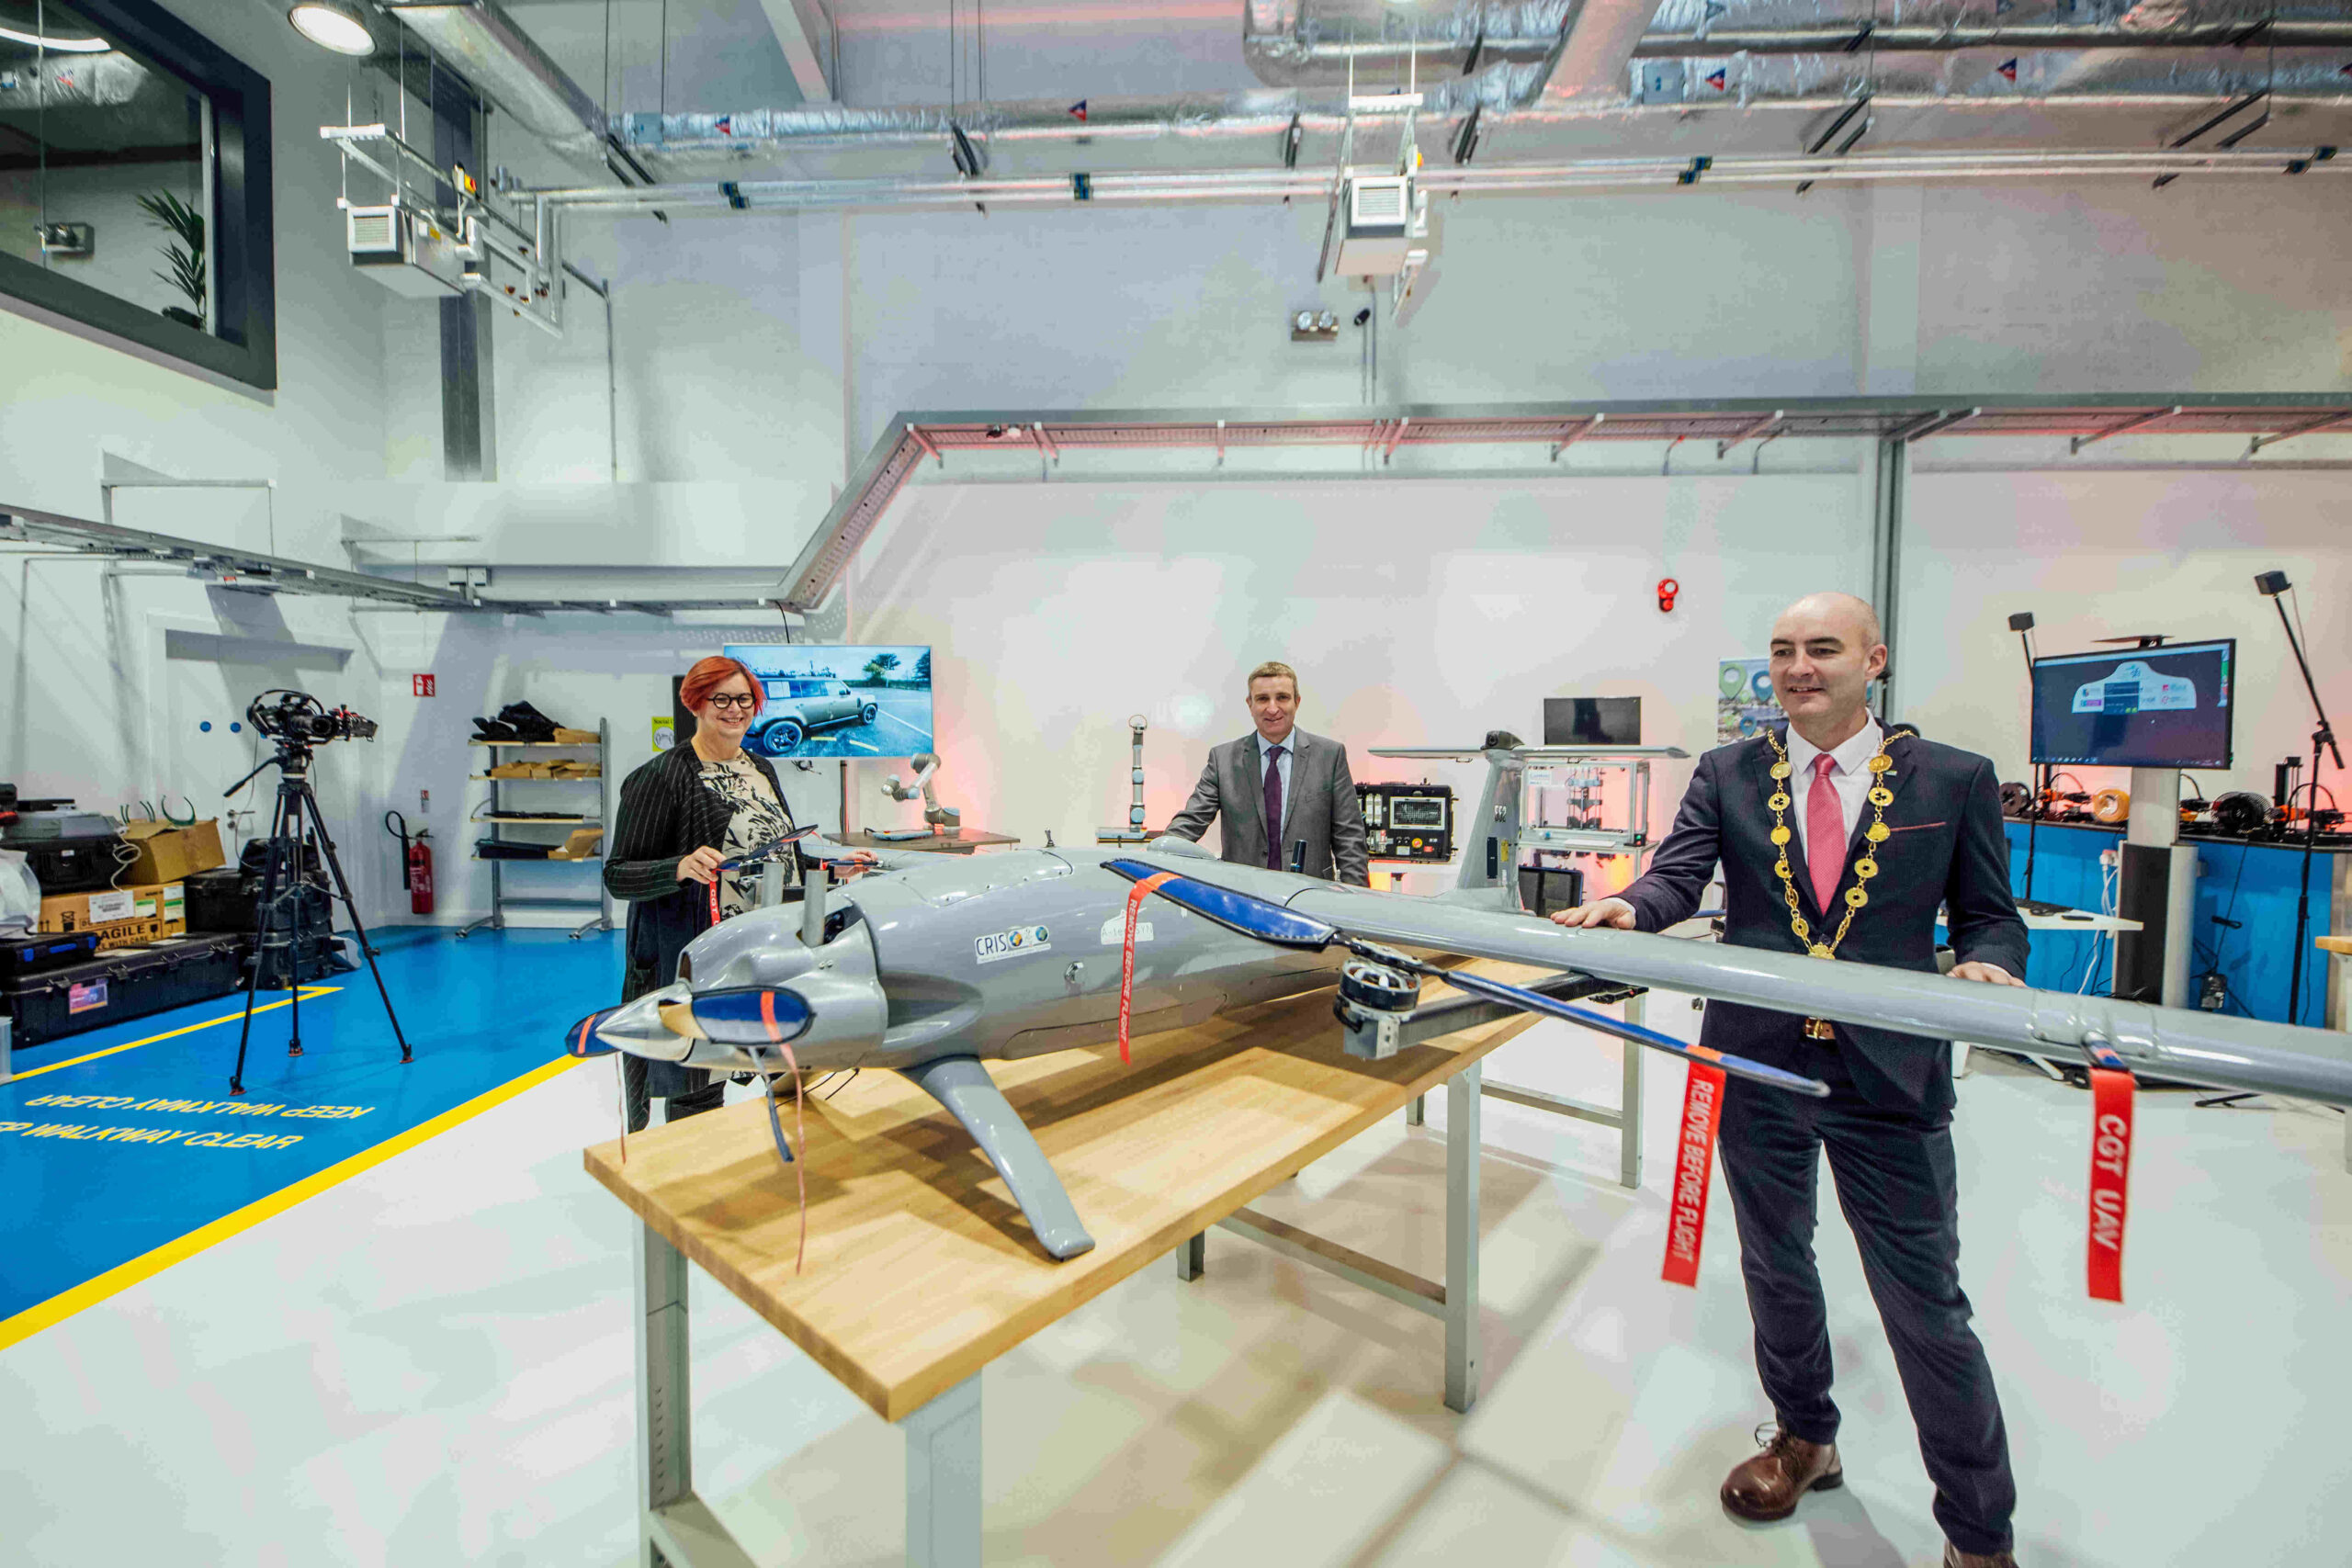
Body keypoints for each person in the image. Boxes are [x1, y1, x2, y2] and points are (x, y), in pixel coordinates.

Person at [1552, 592, 2030, 1568]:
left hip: (1888, 1074)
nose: (1799, 667)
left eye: (1822, 648)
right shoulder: (1727, 772)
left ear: (1874, 660)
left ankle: (1979, 1534)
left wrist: (1988, 964)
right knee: (1775, 1262)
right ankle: (1805, 1437)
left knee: (1924, 1307)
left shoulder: (1952, 778)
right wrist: (1630, 908)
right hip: (1757, 1057)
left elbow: (1989, 914)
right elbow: (1676, 877)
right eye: (1782, 651)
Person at [604, 656, 865, 1132]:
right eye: (720, 699)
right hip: (701, 951)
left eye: (744, 699)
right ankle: (687, 1190)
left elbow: (772, 852)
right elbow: (618, 874)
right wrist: (678, 866)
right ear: (696, 704)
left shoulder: (761, 767)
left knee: (783, 1060)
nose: (734, 709)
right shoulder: (662, 776)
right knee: (698, 1077)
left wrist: (829, 868)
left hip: (766, 946)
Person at [1165, 660, 1370, 886]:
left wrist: (1356, 903)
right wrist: (1153, 856)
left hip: (1312, 898)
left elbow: (1349, 840)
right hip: (1242, 898)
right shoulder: (1222, 760)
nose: (1272, 709)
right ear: (1249, 704)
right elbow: (1191, 821)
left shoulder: (1330, 757)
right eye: (1263, 699)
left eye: (1282, 697)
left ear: (1297, 702)